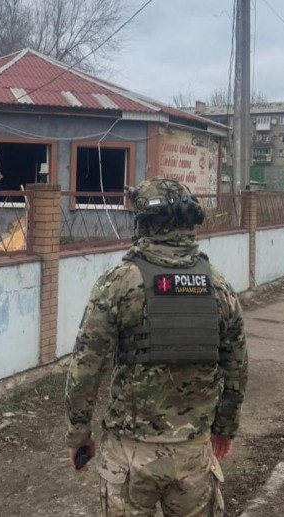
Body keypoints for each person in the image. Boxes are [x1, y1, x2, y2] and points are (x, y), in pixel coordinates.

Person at [65, 178, 248, 516]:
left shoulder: (118, 283)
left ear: (143, 223)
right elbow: (236, 366)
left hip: (130, 453)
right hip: (193, 451)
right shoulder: (219, 286)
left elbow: (86, 367)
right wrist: (225, 429)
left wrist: (79, 434)